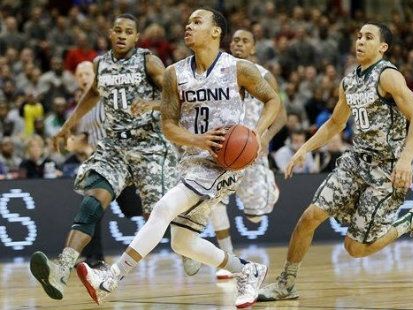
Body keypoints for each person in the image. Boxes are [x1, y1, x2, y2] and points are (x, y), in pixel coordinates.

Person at [76, 9, 280, 308]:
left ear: (216, 32)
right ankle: (247, 270)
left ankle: (109, 279)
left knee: (163, 208)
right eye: (188, 22)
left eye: (197, 22)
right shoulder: (174, 74)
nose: (189, 26)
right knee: (182, 242)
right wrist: (199, 140)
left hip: (224, 163)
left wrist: (256, 133)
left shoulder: (240, 69)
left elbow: (273, 100)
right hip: (192, 160)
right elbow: (168, 125)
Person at [258, 22, 413, 301]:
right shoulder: (350, 80)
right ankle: (286, 283)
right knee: (309, 217)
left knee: (354, 248)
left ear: (383, 47)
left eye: (368, 37)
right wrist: (304, 150)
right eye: (358, 36)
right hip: (355, 162)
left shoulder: (388, 75)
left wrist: (406, 160)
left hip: (386, 169)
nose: (360, 41)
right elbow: (335, 123)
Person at [29, 13, 178, 301]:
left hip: (149, 146)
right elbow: (92, 94)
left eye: (129, 31)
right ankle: (62, 268)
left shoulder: (149, 61)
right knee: (92, 199)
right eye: (118, 30)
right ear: (111, 34)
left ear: (137, 37)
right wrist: (66, 127)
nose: (122, 35)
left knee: (157, 215)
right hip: (114, 147)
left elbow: (175, 96)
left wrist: (151, 104)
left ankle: (188, 239)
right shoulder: (101, 63)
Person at [182, 29, 287, 280]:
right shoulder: (219, 72)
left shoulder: (264, 75)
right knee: (214, 201)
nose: (239, 44)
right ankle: (226, 254)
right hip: (225, 149)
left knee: (254, 215)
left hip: (254, 150)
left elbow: (281, 116)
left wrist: (264, 138)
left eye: (245, 41)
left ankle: (269, 189)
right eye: (236, 40)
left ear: (253, 48)